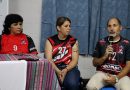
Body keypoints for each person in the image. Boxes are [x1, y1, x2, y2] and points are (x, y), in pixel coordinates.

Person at [86, 17, 130, 90]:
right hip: (103, 74)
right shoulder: (101, 42)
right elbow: (94, 63)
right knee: (90, 87)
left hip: (120, 76)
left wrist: (116, 78)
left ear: (120, 28)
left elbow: (128, 66)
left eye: (114, 25)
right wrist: (104, 56)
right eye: (109, 26)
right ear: (107, 28)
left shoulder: (127, 43)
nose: (112, 28)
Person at [44, 16, 80, 90]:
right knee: (47, 84)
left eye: (69, 26)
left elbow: (75, 60)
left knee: (72, 84)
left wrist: (65, 70)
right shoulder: (50, 41)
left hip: (69, 68)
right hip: (54, 67)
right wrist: (58, 71)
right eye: (66, 26)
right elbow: (49, 59)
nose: (69, 28)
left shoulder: (73, 41)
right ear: (58, 28)